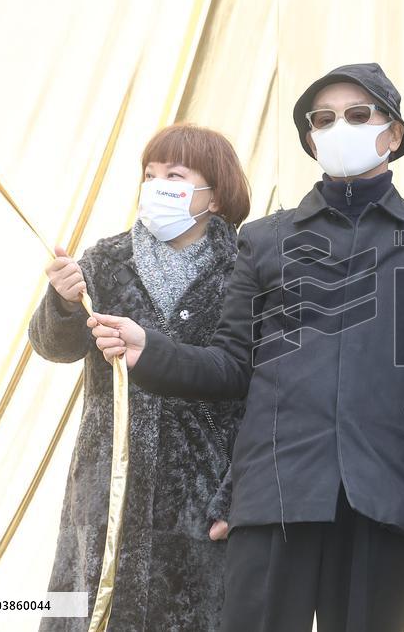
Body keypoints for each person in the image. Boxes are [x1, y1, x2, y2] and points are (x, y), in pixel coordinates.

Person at [88, 63, 404, 632]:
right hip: (274, 491)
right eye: (325, 118)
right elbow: (230, 365)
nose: (341, 127)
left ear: (393, 133)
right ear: (310, 138)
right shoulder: (265, 238)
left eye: (359, 115)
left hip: (384, 493)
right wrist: (151, 350)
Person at [29, 123, 251, 630]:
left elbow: (256, 380)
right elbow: (52, 347)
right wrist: (62, 303)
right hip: (108, 479)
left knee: (196, 609)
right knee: (91, 604)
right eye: (149, 175)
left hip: (202, 484)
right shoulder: (105, 261)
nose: (155, 186)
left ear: (214, 195)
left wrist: (238, 487)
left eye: (173, 175)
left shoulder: (245, 269)